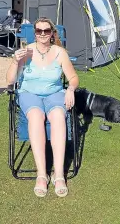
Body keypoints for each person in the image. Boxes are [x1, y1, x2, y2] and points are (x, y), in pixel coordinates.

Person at [6, 17, 79, 197]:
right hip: (29, 93)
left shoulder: (59, 53)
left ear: (52, 33)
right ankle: (41, 174)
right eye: (39, 31)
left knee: (58, 117)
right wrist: (15, 62)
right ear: (35, 33)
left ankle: (59, 174)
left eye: (47, 31)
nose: (43, 34)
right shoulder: (26, 51)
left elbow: (74, 78)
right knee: (36, 116)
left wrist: (70, 89)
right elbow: (9, 81)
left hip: (54, 93)